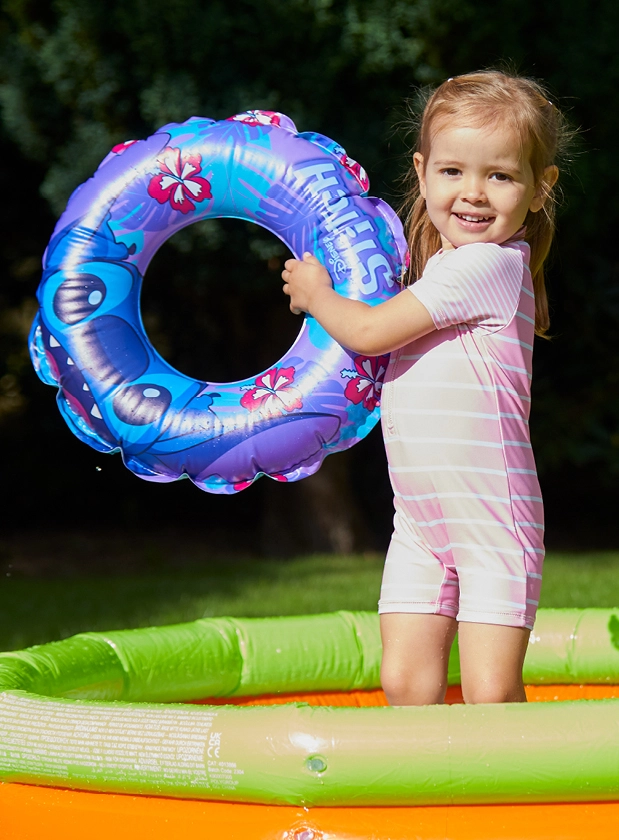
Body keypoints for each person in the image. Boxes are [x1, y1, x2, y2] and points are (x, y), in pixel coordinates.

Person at [282, 70, 571, 706]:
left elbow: (368, 331)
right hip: (420, 514)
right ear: (421, 171)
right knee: (406, 683)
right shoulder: (439, 268)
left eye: (499, 175)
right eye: (452, 172)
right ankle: (429, 805)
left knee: (492, 697)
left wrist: (315, 294)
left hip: (492, 515)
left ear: (539, 188)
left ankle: (525, 803)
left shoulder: (488, 264)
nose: (473, 193)